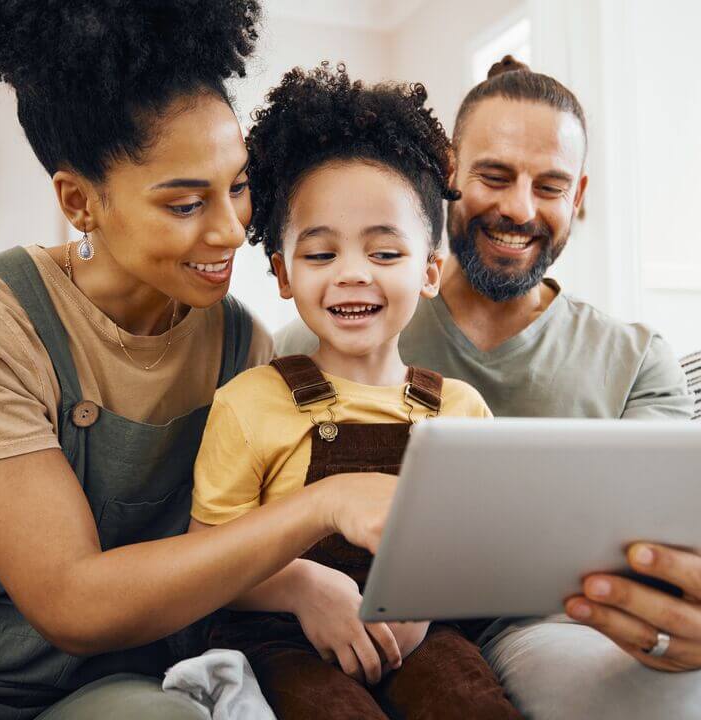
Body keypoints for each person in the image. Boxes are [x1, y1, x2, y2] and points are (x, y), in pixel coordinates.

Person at [277, 58, 701, 720]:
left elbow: (691, 521)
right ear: (449, 173)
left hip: (617, 607)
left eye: (550, 186)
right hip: (509, 634)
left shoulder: (636, 355)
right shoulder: (346, 326)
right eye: (495, 176)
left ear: (578, 197)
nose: (519, 208)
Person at [0, 3, 397, 718]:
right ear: (79, 202)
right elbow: (71, 602)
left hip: (113, 672)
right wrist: (323, 507)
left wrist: (302, 581)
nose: (230, 230)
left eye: (238, 186)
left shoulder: (241, 343)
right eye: (185, 205)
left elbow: (227, 543)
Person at [189, 63, 521, 720]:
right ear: (283, 272)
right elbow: (206, 560)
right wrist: (302, 587)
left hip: (421, 636)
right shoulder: (250, 402)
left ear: (430, 270)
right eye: (320, 254)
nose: (351, 275)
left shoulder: (461, 410)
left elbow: (485, 550)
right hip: (284, 637)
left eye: (384, 253)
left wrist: (427, 602)